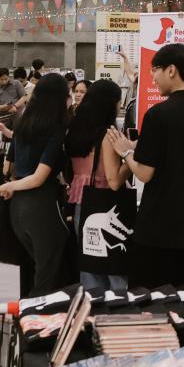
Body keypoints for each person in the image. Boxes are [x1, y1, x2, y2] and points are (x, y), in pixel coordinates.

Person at [106, 44, 184, 289]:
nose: (152, 77)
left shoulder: (158, 115)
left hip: (159, 232)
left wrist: (126, 151)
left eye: (155, 70)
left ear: (171, 70)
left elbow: (144, 173)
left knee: (152, 308)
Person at [0, 73, 71, 295]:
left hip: (17, 208)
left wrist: (12, 185)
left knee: (29, 267)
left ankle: (25, 318)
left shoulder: (22, 121)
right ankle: (39, 323)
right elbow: (39, 177)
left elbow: (6, 169)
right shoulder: (56, 128)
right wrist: (10, 186)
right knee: (47, 274)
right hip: (42, 204)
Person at [65, 78, 128, 296]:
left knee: (89, 263)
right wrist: (129, 156)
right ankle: (117, 310)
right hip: (106, 203)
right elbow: (114, 180)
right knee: (113, 265)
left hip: (81, 202)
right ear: (110, 104)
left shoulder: (74, 128)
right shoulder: (108, 136)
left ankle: (91, 310)